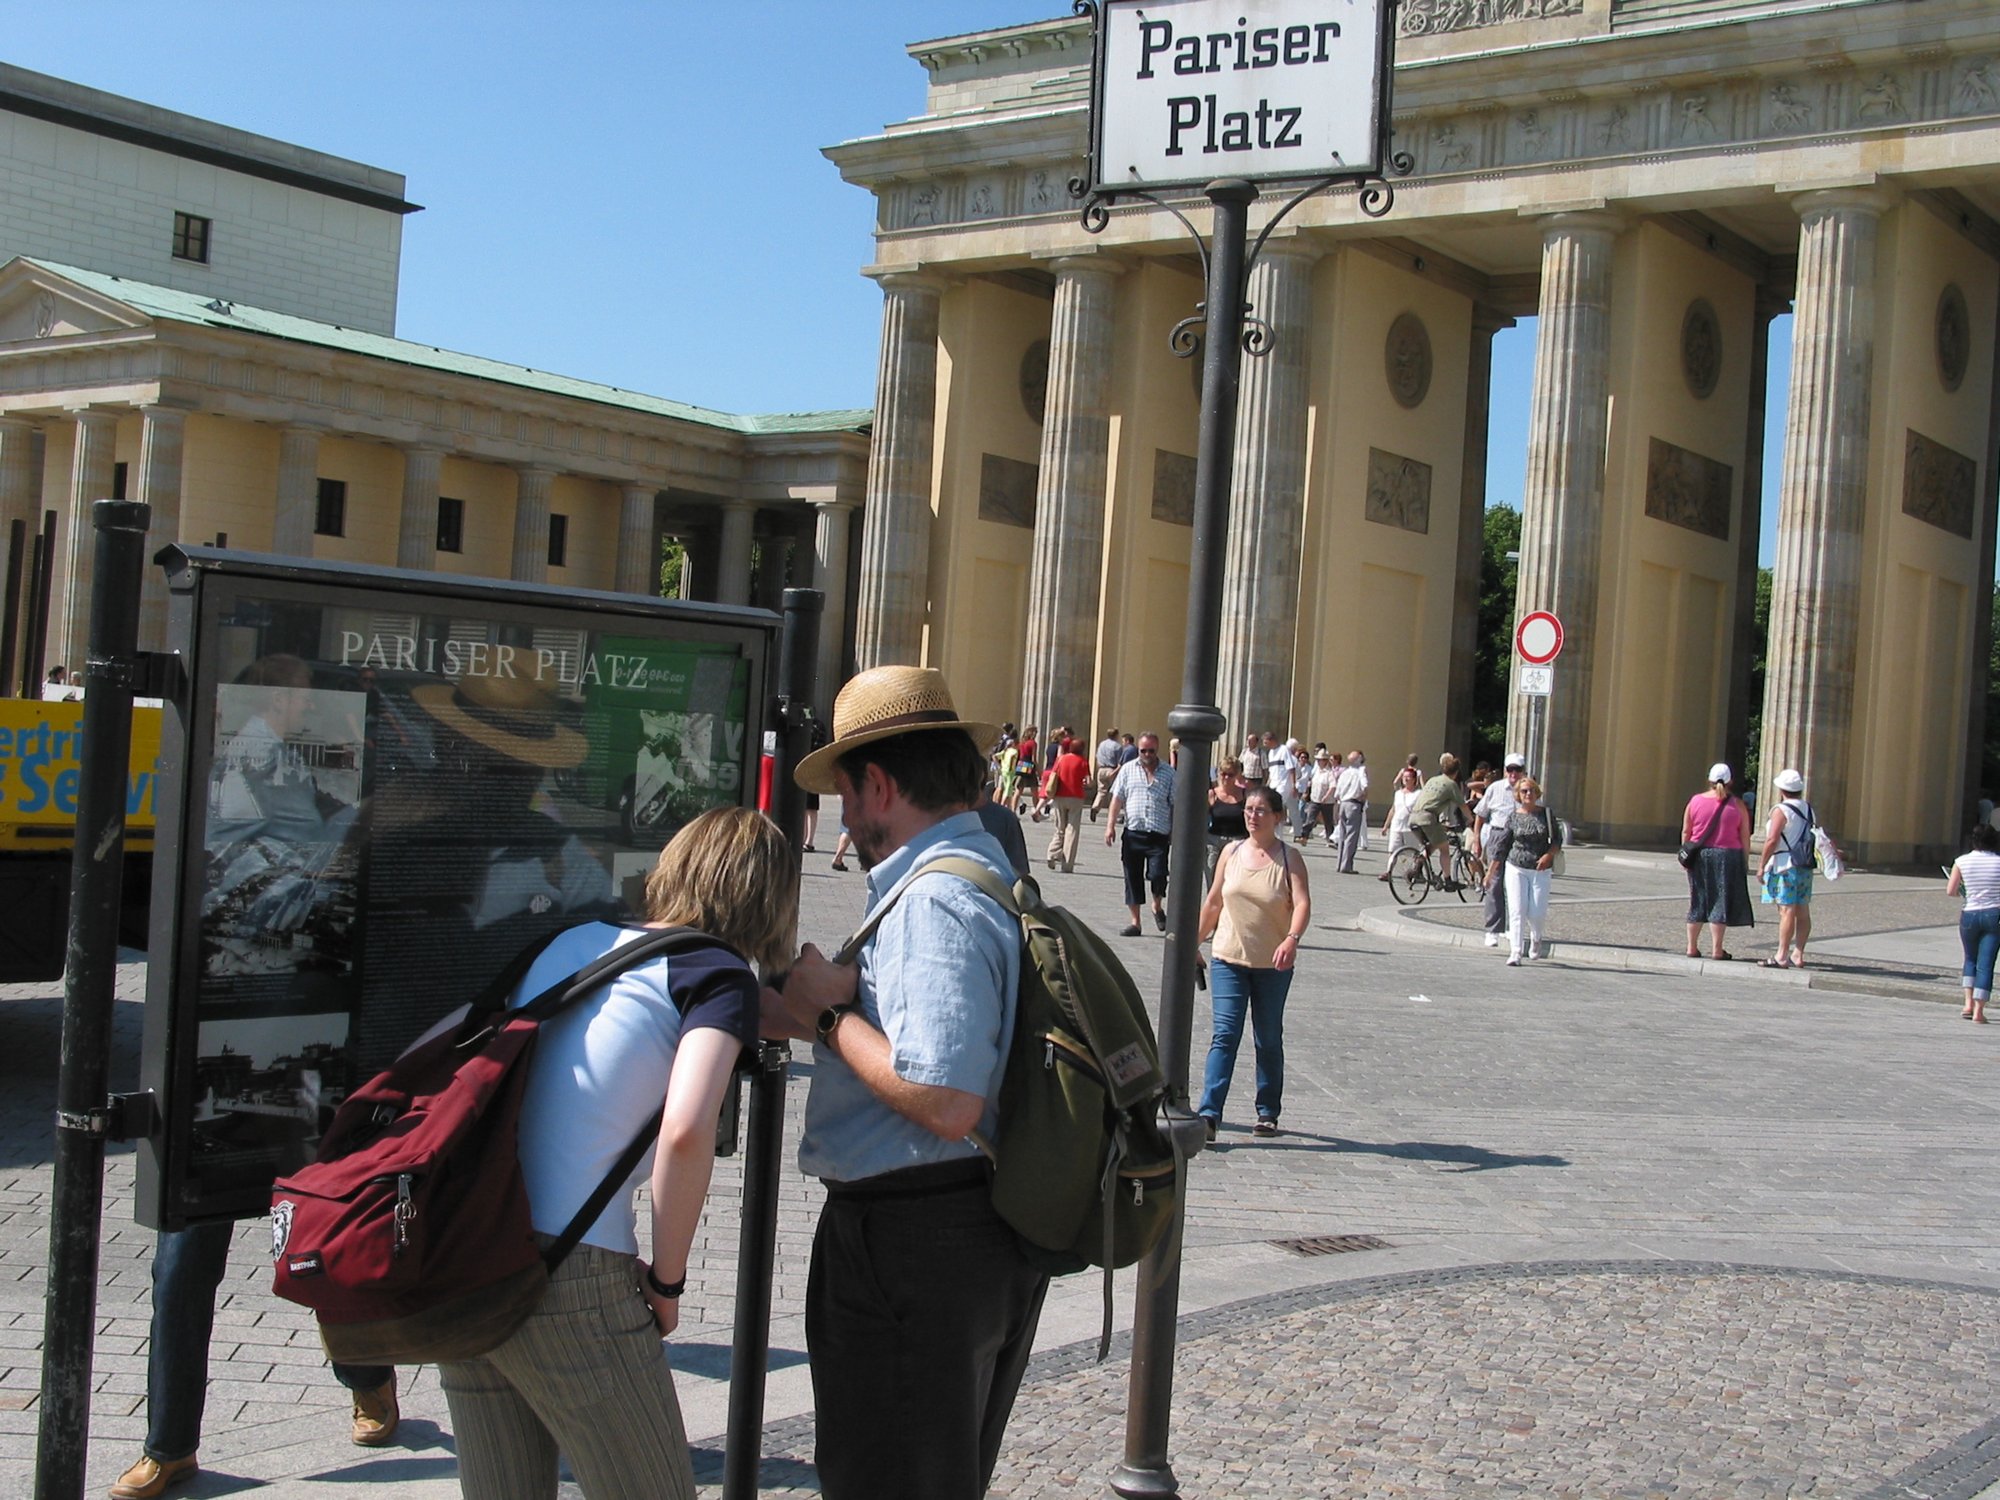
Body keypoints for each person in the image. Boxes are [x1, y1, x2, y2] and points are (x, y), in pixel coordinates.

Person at [439, 807, 794, 1500]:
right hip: (572, 1272)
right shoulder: (716, 973)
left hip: (474, 1248)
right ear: (766, 897)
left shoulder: (577, 940)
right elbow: (688, 1129)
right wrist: (666, 1280)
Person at [763, 664, 1048, 1500]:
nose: (844, 818)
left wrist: (825, 1020)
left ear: (880, 785)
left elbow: (947, 1098)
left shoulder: (930, 905)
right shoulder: (979, 871)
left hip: (916, 1242)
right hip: (956, 1233)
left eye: (847, 796)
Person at [1195, 785, 1312, 1141]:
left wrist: (1292, 939)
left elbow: (1303, 903)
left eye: (1261, 810)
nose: (1252, 815)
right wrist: (1192, 943)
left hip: (1272, 965)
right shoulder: (1230, 852)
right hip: (1228, 958)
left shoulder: (1289, 858)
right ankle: (1209, 1114)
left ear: (1277, 817)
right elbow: (1214, 902)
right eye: (1248, 809)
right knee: (1225, 1035)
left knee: (1267, 1038)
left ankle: (1267, 1111)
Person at [1680, 762, 1754, 961]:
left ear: (1709, 780)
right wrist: (1745, 860)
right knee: (1719, 901)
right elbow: (1745, 835)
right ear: (1730, 781)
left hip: (1700, 854)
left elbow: (1686, 831)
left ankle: (1691, 946)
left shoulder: (1695, 801)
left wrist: (1687, 854)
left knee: (1698, 899)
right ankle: (1717, 949)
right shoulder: (1738, 805)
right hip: (1728, 855)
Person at [1485, 775, 1562, 965]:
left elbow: (1557, 840)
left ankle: (1536, 938)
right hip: (1515, 867)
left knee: (1536, 912)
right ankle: (1516, 952)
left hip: (1540, 869)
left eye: (1532, 790)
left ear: (1537, 793)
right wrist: (1490, 872)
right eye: (1524, 791)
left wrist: (1548, 856)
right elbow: (1502, 847)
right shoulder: (1513, 817)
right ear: (1518, 795)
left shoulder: (1546, 814)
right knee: (1517, 910)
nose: (1528, 794)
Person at [1106, 731, 1176, 936]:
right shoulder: (1127, 769)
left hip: (1159, 834)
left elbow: (1175, 804)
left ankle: (1157, 906)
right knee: (1132, 877)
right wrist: (1110, 825)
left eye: (1150, 750)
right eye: (1142, 750)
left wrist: (1175, 830)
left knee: (1158, 874)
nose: (1146, 754)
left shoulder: (1169, 773)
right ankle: (1135, 922)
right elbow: (1117, 800)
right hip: (1133, 832)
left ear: (1157, 749)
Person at [1757, 767, 1817, 969]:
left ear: (1782, 789)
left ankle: (1781, 954)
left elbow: (1772, 839)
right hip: (1804, 864)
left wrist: (1761, 864)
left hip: (1784, 864)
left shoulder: (1781, 810)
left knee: (1786, 910)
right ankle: (1798, 953)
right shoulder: (1808, 809)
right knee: (1803, 910)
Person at [1946, 822, 2000, 1023]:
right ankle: (1979, 1011)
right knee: (1986, 964)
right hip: (1995, 914)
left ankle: (1967, 1003)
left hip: (1969, 914)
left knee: (1970, 959)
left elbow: (1950, 891)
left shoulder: (1961, 861)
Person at [1472, 754, 1527, 947]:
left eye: (1517, 770)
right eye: (1510, 770)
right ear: (1505, 771)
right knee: (1494, 882)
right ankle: (1493, 929)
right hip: (1497, 834)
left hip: (1519, 838)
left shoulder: (1527, 789)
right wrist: (1477, 839)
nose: (1513, 774)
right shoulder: (1495, 789)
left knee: (1516, 885)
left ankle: (1513, 928)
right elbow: (1480, 814)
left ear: (1523, 771)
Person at [1408, 753, 1471, 880]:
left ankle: (1418, 865)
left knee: (1434, 843)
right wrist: (1471, 818)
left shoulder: (1432, 780)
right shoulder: (1451, 784)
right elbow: (1462, 805)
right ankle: (1448, 880)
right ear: (1456, 771)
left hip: (1413, 817)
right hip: (1427, 818)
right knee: (1444, 847)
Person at [1039, 734, 1091, 873]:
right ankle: (1067, 864)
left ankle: (1052, 853)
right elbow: (1089, 781)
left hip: (1060, 796)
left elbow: (1054, 775)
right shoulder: (1083, 761)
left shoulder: (1061, 759)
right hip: (1076, 797)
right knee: (1072, 830)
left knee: (1060, 828)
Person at [1376, 764, 1423, 881]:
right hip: (1396, 826)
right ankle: (1388, 872)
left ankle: (1415, 872)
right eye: (1404, 777)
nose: (1405, 779)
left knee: (1414, 851)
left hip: (1410, 827)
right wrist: (1386, 825)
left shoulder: (1418, 794)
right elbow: (1393, 809)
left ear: (1414, 780)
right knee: (1392, 850)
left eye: (1408, 777)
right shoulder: (1398, 793)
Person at [1207, 755, 1249, 880]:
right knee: (1212, 880)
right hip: (1214, 842)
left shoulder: (1245, 795)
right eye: (1223, 773)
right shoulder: (1212, 794)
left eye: (1230, 774)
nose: (1225, 777)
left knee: (1233, 882)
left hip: (1237, 842)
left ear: (1237, 775)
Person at [1331, 750, 1370, 873]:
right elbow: (1365, 786)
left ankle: (1339, 864)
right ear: (1359, 759)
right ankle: (1346, 866)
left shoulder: (1345, 772)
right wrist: (1363, 798)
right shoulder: (1361, 771)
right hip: (1354, 803)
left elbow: (1337, 793)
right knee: (1351, 836)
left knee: (1342, 835)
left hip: (1343, 803)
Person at [1305, 749, 1340, 846]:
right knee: (1310, 818)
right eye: (1318, 760)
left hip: (1326, 801)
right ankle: (1304, 836)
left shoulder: (1329, 773)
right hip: (1315, 799)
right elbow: (1311, 783)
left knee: (1328, 821)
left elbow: (1333, 786)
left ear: (1325, 761)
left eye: (1321, 760)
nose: (1319, 762)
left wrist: (1326, 796)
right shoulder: (1316, 772)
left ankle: (1330, 839)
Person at [1091, 726, 1122, 821]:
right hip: (1112, 769)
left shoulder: (1102, 744)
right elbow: (1120, 761)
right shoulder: (1117, 746)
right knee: (1114, 792)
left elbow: (1097, 757)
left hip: (1101, 769)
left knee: (1101, 791)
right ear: (1116, 735)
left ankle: (1095, 807)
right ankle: (1112, 812)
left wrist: (1098, 768)